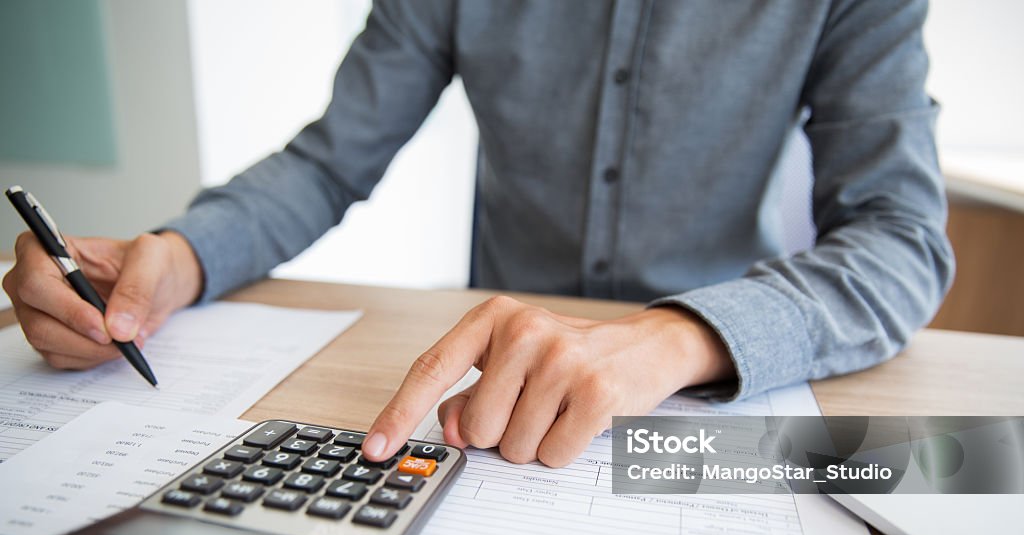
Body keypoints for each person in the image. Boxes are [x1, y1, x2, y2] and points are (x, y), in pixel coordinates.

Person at [3, 1, 952, 468]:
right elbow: (332, 161)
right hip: (487, 408)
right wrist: (179, 255)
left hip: (713, 396)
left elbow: (902, 237)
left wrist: (674, 339)